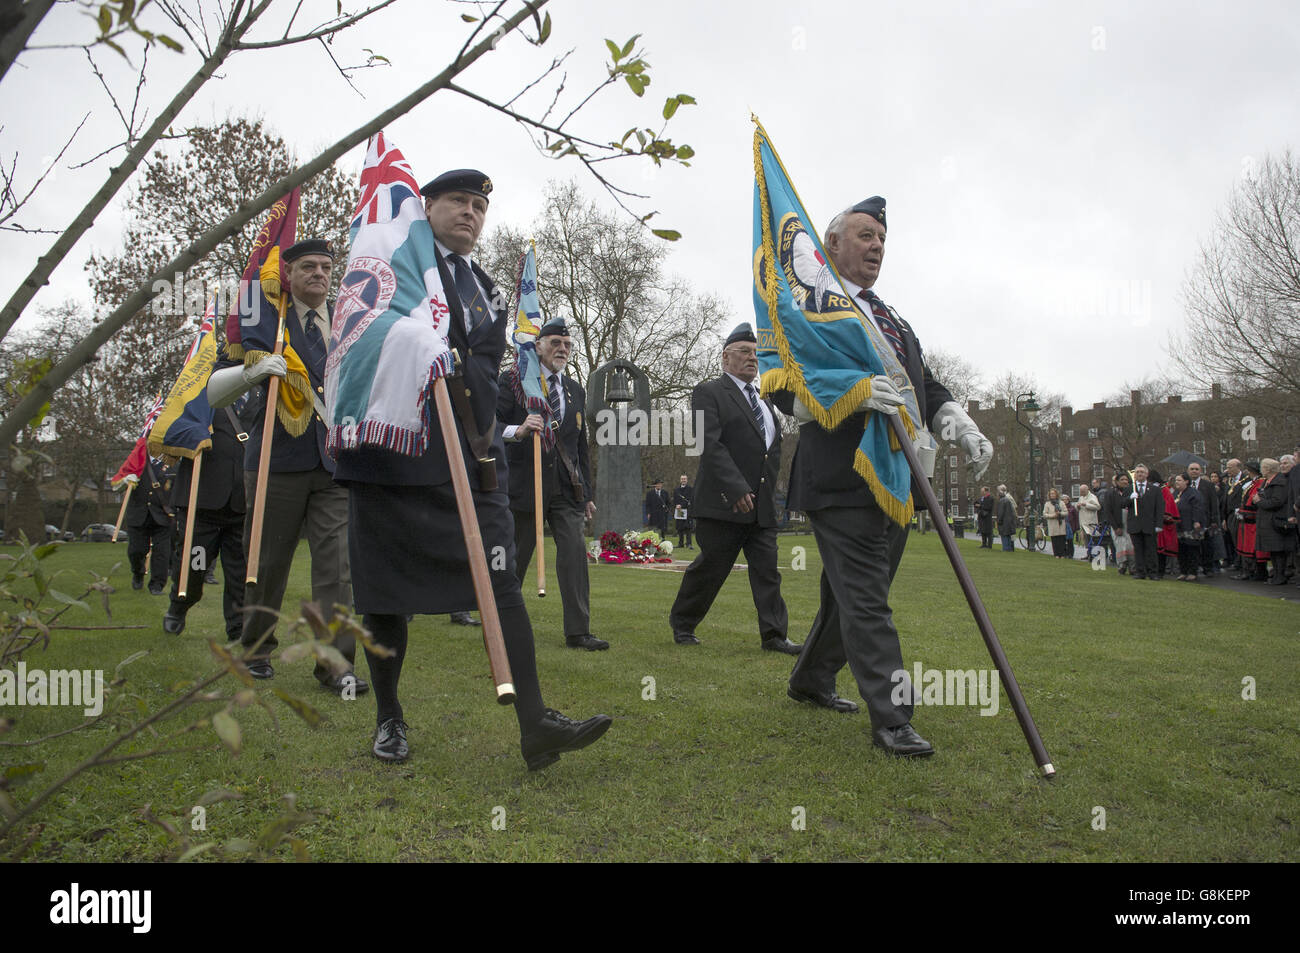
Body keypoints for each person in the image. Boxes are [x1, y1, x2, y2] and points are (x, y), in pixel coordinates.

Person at [331, 167, 610, 766]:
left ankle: (536, 723)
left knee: (502, 583)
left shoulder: (484, 287)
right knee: (385, 598)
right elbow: (357, 329)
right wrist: (411, 340)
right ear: (425, 206)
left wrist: (484, 431)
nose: (470, 213)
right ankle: (389, 718)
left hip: (472, 457)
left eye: (480, 206)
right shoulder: (396, 264)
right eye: (457, 201)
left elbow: (485, 371)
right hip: (396, 457)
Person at [771, 195, 993, 757]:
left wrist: (958, 422)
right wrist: (851, 393)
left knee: (850, 596)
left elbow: (925, 383)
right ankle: (893, 718)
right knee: (867, 598)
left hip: (899, 477)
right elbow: (779, 381)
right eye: (865, 235)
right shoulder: (808, 306)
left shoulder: (891, 318)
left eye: (882, 240)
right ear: (832, 245)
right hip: (841, 476)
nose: (877, 246)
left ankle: (810, 678)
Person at [207, 238, 365, 697]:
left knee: (338, 568)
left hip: (334, 462)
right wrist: (251, 373)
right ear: (288, 274)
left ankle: (335, 664)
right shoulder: (263, 320)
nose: (319, 274)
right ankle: (256, 649)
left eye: (326, 267)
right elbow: (215, 390)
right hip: (277, 461)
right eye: (309, 267)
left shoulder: (350, 321)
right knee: (267, 562)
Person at [667, 324, 800, 655]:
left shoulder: (765, 400)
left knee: (768, 572)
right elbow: (710, 444)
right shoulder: (708, 393)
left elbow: (770, 452)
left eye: (755, 353)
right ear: (726, 358)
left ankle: (774, 636)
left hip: (762, 507)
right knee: (712, 568)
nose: (752, 358)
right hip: (724, 503)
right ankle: (683, 623)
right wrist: (736, 488)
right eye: (744, 351)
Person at [497, 317, 607, 651]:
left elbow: (580, 446)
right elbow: (490, 423)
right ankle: (503, 625)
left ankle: (578, 631)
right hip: (525, 484)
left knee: (574, 555)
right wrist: (517, 429)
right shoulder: (514, 382)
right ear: (538, 346)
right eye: (555, 343)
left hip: (565, 488)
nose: (562, 349)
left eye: (567, 345)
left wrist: (585, 493)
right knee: (516, 559)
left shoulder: (575, 389)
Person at [162, 396, 246, 639]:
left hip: (242, 502)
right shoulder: (199, 397)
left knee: (238, 570)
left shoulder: (261, 394)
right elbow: (171, 428)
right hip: (203, 503)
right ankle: (179, 606)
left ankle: (237, 626)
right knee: (195, 565)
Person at [124, 455, 174, 595]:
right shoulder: (136, 461)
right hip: (138, 515)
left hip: (163, 516)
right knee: (136, 551)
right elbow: (117, 481)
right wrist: (125, 480)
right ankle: (138, 573)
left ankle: (157, 585)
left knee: (162, 553)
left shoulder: (173, 461)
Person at [1254, 458, 1295, 585]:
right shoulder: (1266, 482)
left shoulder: (1279, 482)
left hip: (1276, 521)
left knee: (1279, 551)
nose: (1261, 470)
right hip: (1267, 521)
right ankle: (1276, 575)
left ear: (1268, 469)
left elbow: (1277, 501)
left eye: (1263, 468)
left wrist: (1259, 501)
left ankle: (1280, 576)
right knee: (1273, 551)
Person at [1127, 464, 1165, 580]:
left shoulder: (1155, 489)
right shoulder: (1130, 489)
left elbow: (1160, 508)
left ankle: (1153, 572)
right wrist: (1129, 499)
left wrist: (1159, 524)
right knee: (1138, 550)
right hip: (1135, 525)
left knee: (1151, 550)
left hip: (1150, 525)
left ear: (1146, 474)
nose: (1139, 474)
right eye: (1137, 472)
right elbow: (1121, 504)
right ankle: (1140, 572)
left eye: (1142, 472)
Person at [1232, 460, 1265, 581]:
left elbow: (1252, 500)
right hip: (1246, 518)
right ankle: (1248, 570)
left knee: (1251, 547)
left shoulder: (1259, 483)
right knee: (1245, 546)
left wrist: (1244, 511)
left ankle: (1254, 571)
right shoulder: (1252, 482)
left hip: (1252, 519)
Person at [1187, 462, 1219, 576]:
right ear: (1188, 471)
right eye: (1192, 469)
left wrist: (1214, 521)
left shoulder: (1208, 485)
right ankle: (1193, 568)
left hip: (1206, 520)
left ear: (1200, 471)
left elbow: (1213, 504)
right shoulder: (1185, 485)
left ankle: (1208, 568)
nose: (1194, 471)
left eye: (1196, 469)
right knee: (1192, 546)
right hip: (1189, 521)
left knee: (1207, 546)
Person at [1172, 472, 1205, 581]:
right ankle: (1183, 571)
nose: (1176, 482)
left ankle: (1192, 572)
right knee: (1182, 550)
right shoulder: (1177, 493)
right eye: (1176, 480)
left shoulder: (1193, 493)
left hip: (1191, 526)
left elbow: (1198, 508)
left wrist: (1196, 521)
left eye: (1179, 480)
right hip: (1179, 526)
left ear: (1186, 481)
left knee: (1192, 549)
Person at [1102, 471, 1134, 573]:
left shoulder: (1131, 492)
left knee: (1130, 545)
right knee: (1120, 545)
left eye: (1126, 479)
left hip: (1130, 522)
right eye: (1122, 480)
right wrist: (1115, 527)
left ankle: (1133, 566)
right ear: (1116, 482)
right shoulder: (1110, 493)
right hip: (1117, 522)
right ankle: (1122, 565)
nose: (1125, 482)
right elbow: (1108, 511)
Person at [1076, 482, 1101, 561]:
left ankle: (1095, 555)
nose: (1081, 493)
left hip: (1090, 522)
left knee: (1092, 539)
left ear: (1087, 490)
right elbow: (1077, 508)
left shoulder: (1092, 497)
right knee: (1086, 540)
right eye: (1080, 491)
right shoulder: (1081, 497)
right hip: (1083, 522)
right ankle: (1088, 554)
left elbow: (1098, 507)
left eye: (1083, 491)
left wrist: (1086, 504)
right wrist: (1077, 506)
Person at [1043, 488, 1068, 558]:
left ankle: (1062, 554)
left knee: (1061, 540)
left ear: (1056, 494)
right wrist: (1053, 515)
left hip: (1061, 524)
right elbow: (1045, 514)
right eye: (1051, 494)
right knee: (1055, 540)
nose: (1052, 495)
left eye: (1053, 493)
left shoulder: (1061, 503)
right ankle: (1056, 554)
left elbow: (1066, 512)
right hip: (1052, 524)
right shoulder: (1047, 504)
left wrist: (1060, 513)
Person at [672, 474, 694, 549]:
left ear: (687, 480)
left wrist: (681, 505)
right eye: (682, 479)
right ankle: (680, 543)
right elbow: (674, 500)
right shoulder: (676, 490)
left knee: (688, 528)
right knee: (680, 528)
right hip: (679, 511)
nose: (683, 480)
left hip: (687, 511)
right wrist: (676, 505)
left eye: (685, 479)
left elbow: (690, 499)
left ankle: (689, 544)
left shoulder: (690, 489)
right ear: (680, 480)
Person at [996, 484, 1017, 551]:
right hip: (1010, 521)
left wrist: (999, 521)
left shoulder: (1003, 500)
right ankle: (1010, 549)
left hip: (1005, 522)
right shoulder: (1008, 499)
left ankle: (1006, 549)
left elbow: (1000, 513)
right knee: (1009, 536)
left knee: (1005, 536)